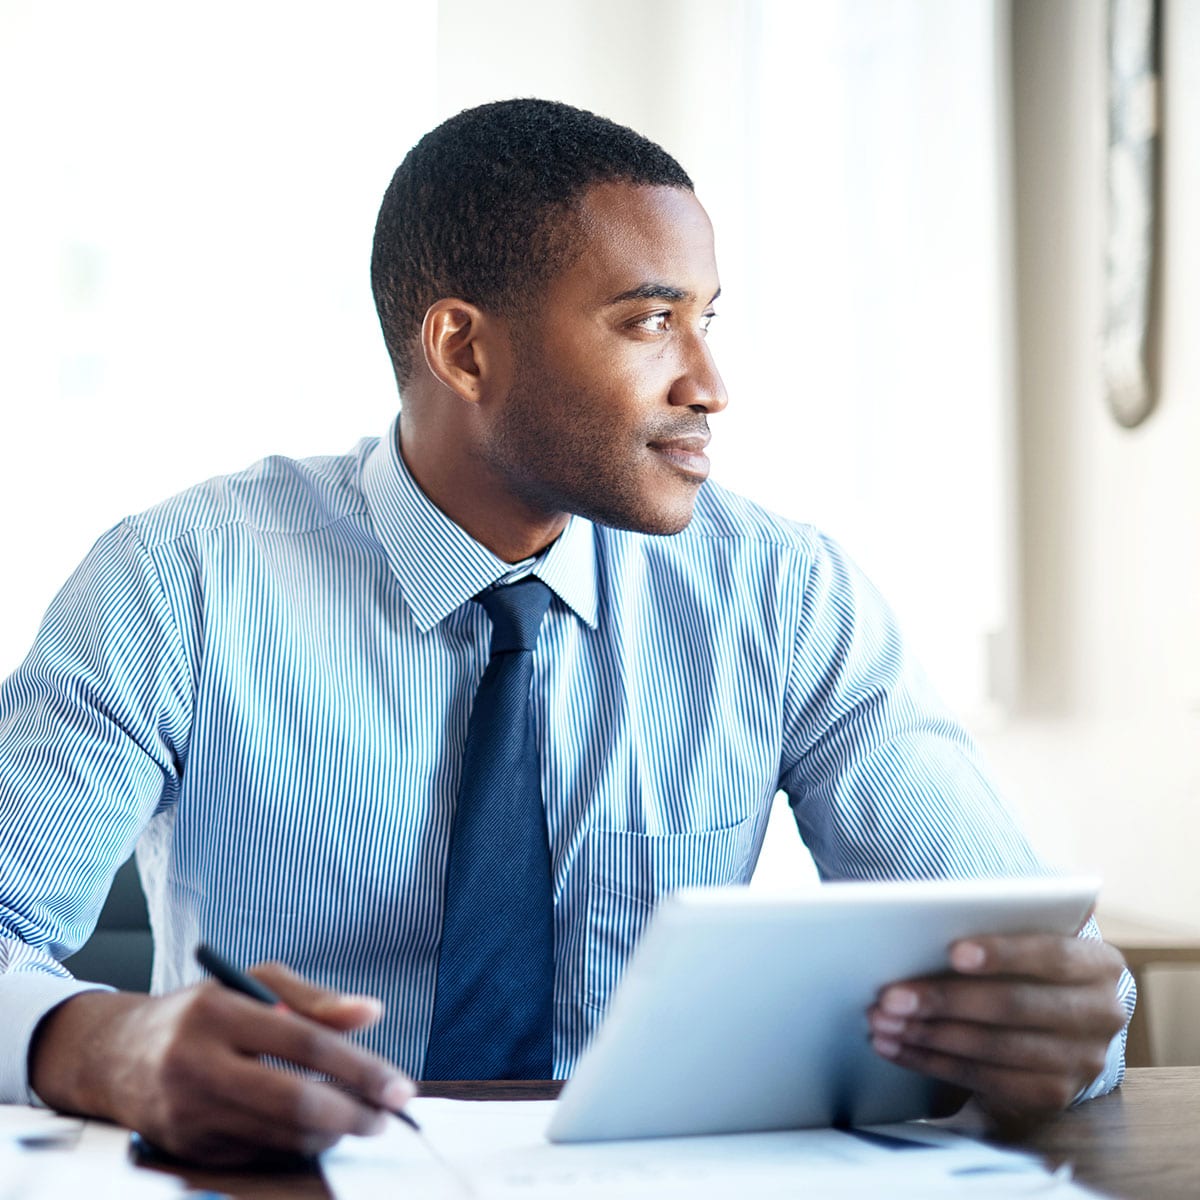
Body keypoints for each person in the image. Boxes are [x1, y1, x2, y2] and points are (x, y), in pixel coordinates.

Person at [0, 98, 1131, 1165]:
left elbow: (1034, 960)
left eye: (708, 319)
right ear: (464, 349)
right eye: (650, 321)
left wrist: (1071, 1025)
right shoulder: (178, 580)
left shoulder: (783, 595)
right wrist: (106, 1043)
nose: (710, 384)